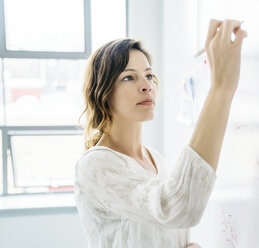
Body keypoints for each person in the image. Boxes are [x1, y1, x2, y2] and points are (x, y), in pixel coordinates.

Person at [74, 19, 247, 248]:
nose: (146, 86)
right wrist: (221, 88)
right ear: (103, 93)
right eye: (129, 77)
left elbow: (165, 226)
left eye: (148, 75)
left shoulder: (156, 160)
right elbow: (177, 208)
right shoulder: (95, 165)